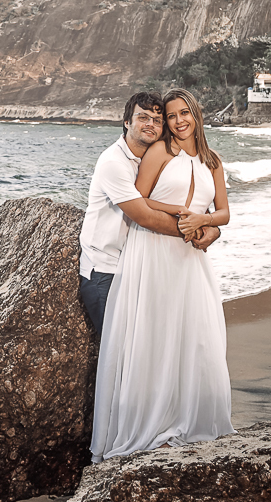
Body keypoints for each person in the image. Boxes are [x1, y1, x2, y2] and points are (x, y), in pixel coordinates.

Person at [90, 88, 234, 461]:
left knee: (195, 338)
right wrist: (185, 218)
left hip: (190, 260)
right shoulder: (159, 152)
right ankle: (152, 427)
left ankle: (188, 418)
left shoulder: (213, 160)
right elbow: (143, 203)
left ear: (196, 115)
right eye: (170, 116)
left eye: (182, 113)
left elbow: (223, 213)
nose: (177, 121)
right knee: (152, 341)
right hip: (152, 253)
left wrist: (206, 225)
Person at [79, 91, 221, 336]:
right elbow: (144, 216)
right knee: (119, 352)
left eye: (157, 120)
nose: (151, 125)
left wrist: (212, 226)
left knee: (145, 346)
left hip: (140, 266)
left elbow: (194, 204)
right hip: (106, 269)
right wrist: (193, 230)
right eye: (143, 118)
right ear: (127, 122)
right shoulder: (114, 162)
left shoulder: (155, 157)